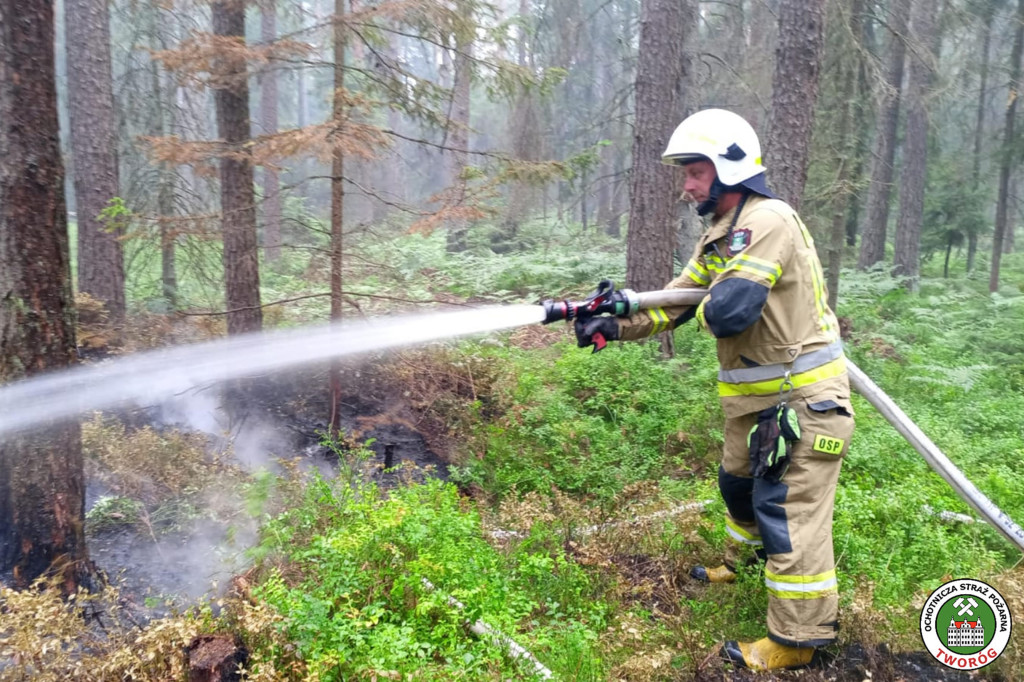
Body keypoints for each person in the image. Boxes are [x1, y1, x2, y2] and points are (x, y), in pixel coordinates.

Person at [575, 108, 855, 671]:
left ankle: (798, 642)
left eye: (695, 171)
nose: (686, 186)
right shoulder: (720, 238)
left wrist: (696, 305)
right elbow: (678, 299)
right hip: (757, 405)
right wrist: (614, 324)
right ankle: (744, 565)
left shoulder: (770, 220)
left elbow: (727, 311)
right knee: (737, 486)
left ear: (729, 167)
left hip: (803, 405)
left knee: (788, 512)